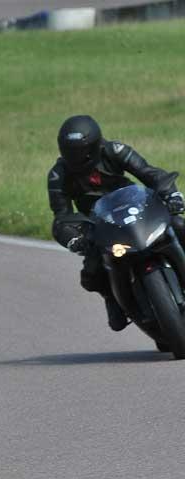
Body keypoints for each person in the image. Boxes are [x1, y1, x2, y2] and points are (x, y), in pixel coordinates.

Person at [48, 115, 184, 331]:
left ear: (93, 145)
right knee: (92, 272)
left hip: (138, 209)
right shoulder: (58, 174)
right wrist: (73, 237)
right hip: (100, 224)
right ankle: (112, 298)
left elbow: (149, 173)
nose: (75, 157)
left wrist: (172, 194)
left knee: (178, 226)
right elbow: (62, 215)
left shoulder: (115, 151)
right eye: (70, 151)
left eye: (80, 151)